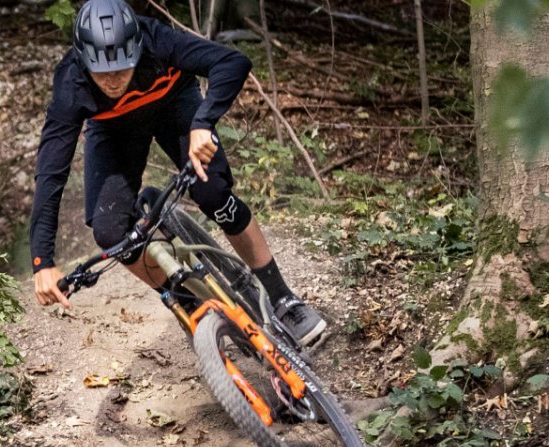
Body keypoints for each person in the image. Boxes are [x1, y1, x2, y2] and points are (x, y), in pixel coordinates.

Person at [28, 0, 327, 345]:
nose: (112, 81)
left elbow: (232, 61)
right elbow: (51, 173)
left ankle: (283, 298)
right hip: (114, 132)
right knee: (110, 233)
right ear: (83, 61)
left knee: (214, 195)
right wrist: (42, 261)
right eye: (101, 72)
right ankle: (188, 303)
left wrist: (204, 122)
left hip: (174, 106)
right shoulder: (70, 83)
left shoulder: (154, 38)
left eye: (121, 69)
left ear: (136, 49)